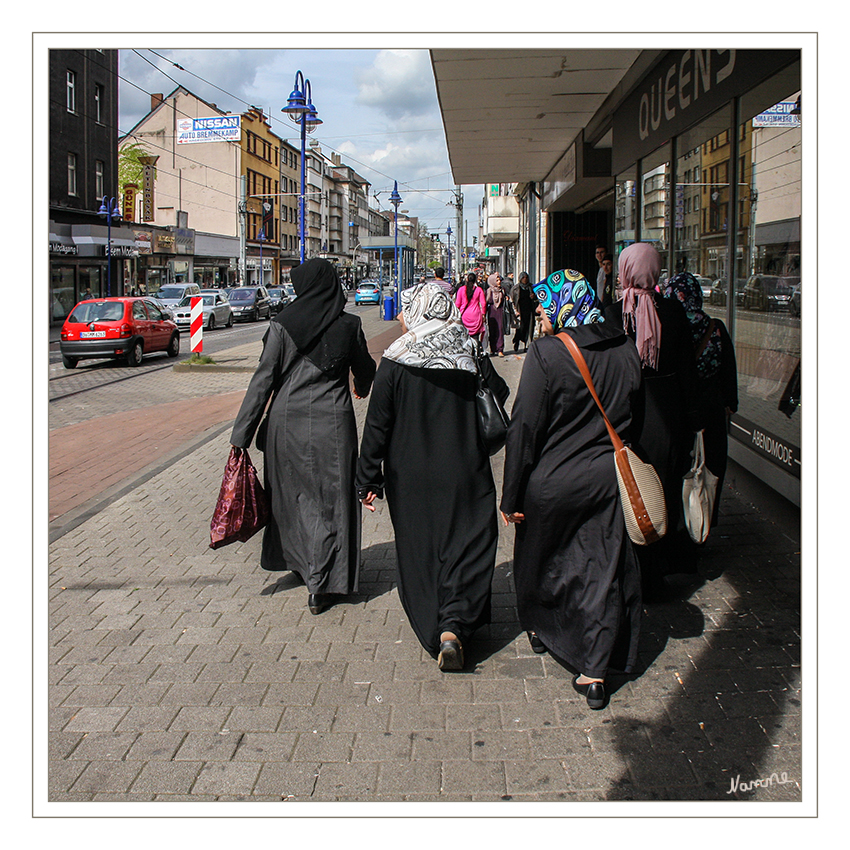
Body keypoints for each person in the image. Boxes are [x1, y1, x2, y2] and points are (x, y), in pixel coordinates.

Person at [500, 269, 643, 710]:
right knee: (601, 569)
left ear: (565, 306)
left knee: (545, 562)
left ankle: (545, 631)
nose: (540, 313)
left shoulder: (547, 354)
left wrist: (510, 495)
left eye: (545, 305)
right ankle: (595, 672)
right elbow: (636, 416)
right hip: (605, 482)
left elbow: (524, 427)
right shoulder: (625, 346)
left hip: (552, 483)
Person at [356, 282, 509, 671]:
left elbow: (377, 425)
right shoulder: (468, 350)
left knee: (419, 550)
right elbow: (500, 391)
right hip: (464, 468)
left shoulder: (394, 360)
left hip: (410, 475)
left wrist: (367, 479)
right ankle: (455, 626)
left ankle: (432, 625)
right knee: (470, 542)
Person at [230, 258, 376, 615]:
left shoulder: (282, 325)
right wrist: (360, 385)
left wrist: (241, 436)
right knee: (333, 502)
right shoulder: (350, 324)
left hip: (286, 426)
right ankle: (325, 583)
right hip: (333, 425)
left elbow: (263, 380)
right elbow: (365, 369)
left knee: (292, 499)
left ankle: (302, 565)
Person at [603, 243, 702, 598]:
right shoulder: (674, 312)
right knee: (665, 492)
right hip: (669, 416)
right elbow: (688, 373)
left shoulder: (614, 315)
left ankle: (630, 570)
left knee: (631, 491)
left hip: (629, 415)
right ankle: (658, 573)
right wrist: (692, 420)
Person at [663, 271, 738, 529]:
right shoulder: (715, 327)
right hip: (711, 409)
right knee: (709, 471)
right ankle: (703, 523)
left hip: (681, 409)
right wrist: (731, 403)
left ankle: (679, 525)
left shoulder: (670, 326)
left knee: (682, 468)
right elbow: (728, 369)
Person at [455, 271, 487, 346]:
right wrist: (483, 314)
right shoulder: (479, 290)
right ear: (475, 280)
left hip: (464, 316)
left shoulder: (461, 289)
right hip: (476, 316)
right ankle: (475, 350)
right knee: (475, 337)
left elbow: (457, 304)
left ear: (467, 280)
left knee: (464, 337)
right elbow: (483, 303)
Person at [511, 271, 536, 352]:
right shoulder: (516, 288)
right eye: (523, 278)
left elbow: (538, 299)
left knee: (529, 329)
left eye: (526, 277)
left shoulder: (531, 287)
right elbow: (512, 300)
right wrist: (515, 311)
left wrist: (534, 297)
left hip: (529, 311)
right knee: (521, 328)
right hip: (520, 311)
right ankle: (517, 340)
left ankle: (527, 345)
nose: (525, 279)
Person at [485, 273, 507, 356]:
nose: (499, 282)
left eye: (499, 280)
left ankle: (500, 349)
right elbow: (484, 302)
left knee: (500, 330)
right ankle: (493, 348)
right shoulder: (489, 291)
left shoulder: (502, 290)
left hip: (500, 311)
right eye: (497, 280)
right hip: (491, 312)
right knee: (492, 330)